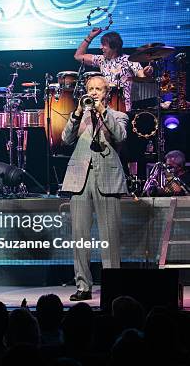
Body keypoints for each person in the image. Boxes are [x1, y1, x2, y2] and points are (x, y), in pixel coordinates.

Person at [61, 76, 128, 301]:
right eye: (91, 88)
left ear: (107, 93)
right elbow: (64, 138)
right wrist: (78, 113)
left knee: (110, 236)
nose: (94, 92)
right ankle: (83, 285)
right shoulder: (79, 117)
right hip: (79, 178)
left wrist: (103, 112)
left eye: (98, 89)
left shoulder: (118, 116)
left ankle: (113, 286)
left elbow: (120, 136)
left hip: (107, 178)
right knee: (80, 235)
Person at [74, 29, 152, 112]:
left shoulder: (129, 60)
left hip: (123, 108)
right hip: (103, 107)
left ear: (114, 47)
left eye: (104, 45)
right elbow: (78, 56)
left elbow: (142, 75)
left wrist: (146, 72)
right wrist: (90, 36)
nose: (101, 47)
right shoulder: (101, 59)